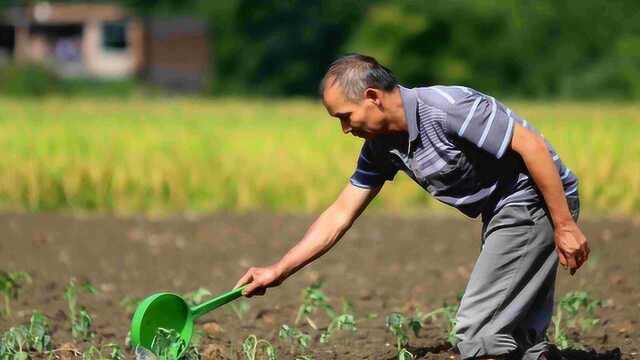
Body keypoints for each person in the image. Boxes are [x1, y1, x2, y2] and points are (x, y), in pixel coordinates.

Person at [234, 54, 589, 360]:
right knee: (517, 332)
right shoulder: (382, 147)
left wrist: (564, 225)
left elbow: (533, 147)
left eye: (345, 116)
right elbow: (340, 214)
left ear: (372, 97)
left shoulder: (449, 108)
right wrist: (278, 271)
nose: (344, 129)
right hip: (501, 209)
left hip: (532, 198)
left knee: (478, 328)